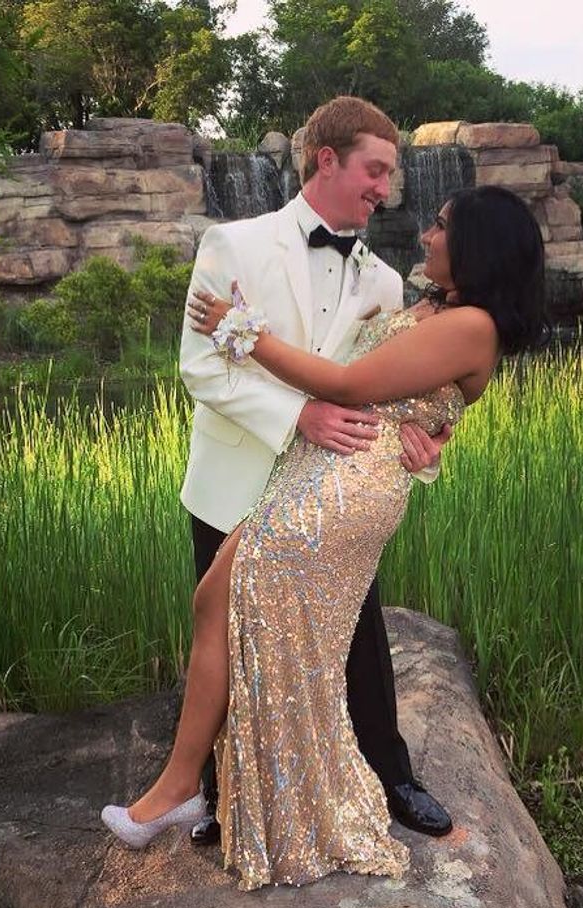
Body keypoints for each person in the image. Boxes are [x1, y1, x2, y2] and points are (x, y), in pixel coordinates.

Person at [101, 182, 547, 891]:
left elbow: (346, 383)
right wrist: (433, 431)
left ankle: (243, 798)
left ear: (479, 246)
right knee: (216, 601)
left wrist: (243, 333)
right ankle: (201, 785)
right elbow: (420, 400)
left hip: (343, 490)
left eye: (440, 225)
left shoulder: (471, 325)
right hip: (312, 472)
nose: (425, 232)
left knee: (269, 630)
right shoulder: (433, 305)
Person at [174, 96, 454, 847]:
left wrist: (426, 447)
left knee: (358, 633)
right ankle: (223, 796)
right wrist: (298, 416)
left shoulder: (386, 285)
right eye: (375, 170)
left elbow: (399, 400)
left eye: (390, 175)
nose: (385, 190)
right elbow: (200, 366)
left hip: (330, 491)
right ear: (327, 159)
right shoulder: (230, 244)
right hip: (234, 482)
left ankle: (390, 774)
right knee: (230, 633)